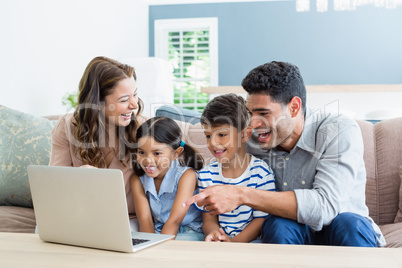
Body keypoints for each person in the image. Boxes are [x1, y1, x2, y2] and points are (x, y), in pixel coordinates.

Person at [184, 61, 386, 247]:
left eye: (263, 113)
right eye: (250, 113)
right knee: (278, 224)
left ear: (294, 107)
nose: (254, 124)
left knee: (349, 223)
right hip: (294, 233)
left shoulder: (338, 130)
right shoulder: (251, 138)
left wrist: (239, 194)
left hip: (343, 230)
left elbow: (325, 207)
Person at [50, 56, 146, 215]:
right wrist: (78, 176)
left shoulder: (144, 129)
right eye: (124, 100)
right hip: (81, 213)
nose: (135, 105)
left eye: (135, 94)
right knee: (43, 228)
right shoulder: (67, 127)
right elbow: (55, 184)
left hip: (128, 219)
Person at [198, 94, 276, 243]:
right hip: (220, 241)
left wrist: (234, 242)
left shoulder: (261, 173)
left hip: (251, 241)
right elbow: (208, 220)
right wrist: (215, 234)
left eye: (221, 135)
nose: (213, 143)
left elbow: (260, 221)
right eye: (208, 136)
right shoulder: (206, 175)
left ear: (245, 135)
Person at [130, 116, 205, 241]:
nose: (148, 160)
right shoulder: (137, 179)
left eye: (157, 153)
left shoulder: (186, 176)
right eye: (141, 152)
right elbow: (145, 220)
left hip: (189, 231)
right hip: (159, 230)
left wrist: (158, 251)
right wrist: (149, 245)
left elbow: (174, 220)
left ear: (176, 153)